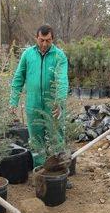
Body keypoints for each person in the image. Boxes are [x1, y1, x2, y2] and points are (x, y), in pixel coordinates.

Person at [9, 25, 68, 167]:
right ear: (36, 38)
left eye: (48, 40)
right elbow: (18, 78)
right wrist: (13, 101)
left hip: (52, 105)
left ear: (52, 39)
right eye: (41, 40)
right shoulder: (27, 54)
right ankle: (40, 170)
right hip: (33, 104)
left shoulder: (59, 56)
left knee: (56, 137)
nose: (44, 44)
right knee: (36, 139)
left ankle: (59, 170)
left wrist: (59, 102)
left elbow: (62, 80)